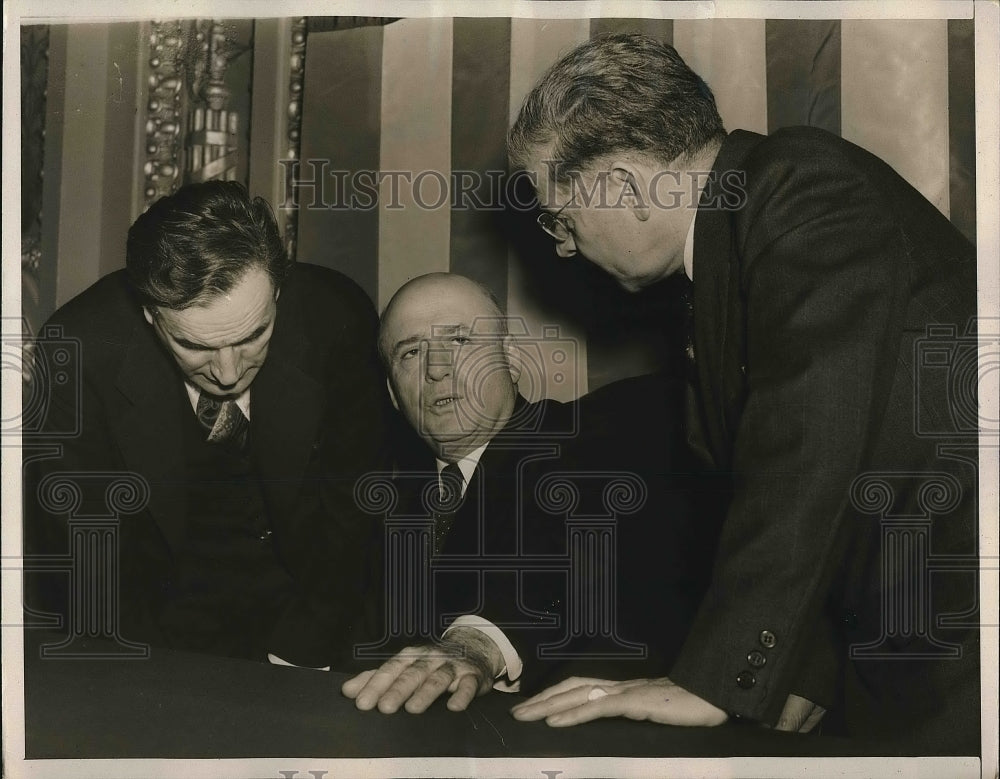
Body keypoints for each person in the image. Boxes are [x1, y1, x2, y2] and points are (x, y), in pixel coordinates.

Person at [505, 34, 979, 752]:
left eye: (559, 216)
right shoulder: (744, 230)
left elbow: (808, 442)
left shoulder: (802, 187)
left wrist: (710, 679)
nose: (563, 246)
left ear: (626, 186)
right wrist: (804, 672)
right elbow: (853, 458)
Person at [23, 181, 388, 668]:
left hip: (315, 605)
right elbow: (91, 556)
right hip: (156, 621)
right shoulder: (81, 350)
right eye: (196, 346)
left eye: (254, 335)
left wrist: (304, 650)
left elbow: (355, 511)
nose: (229, 373)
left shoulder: (337, 317)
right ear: (151, 315)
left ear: (278, 291)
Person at [342, 272, 718, 714]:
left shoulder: (592, 438)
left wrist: (479, 643)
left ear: (512, 359)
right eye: (410, 353)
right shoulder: (386, 505)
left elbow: (567, 548)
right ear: (392, 393)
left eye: (460, 341)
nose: (436, 368)